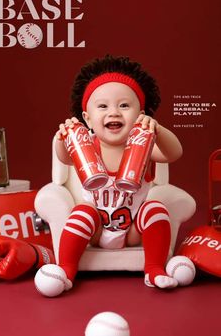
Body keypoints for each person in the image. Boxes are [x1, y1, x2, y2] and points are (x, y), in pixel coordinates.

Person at [55, 55, 183, 290]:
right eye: (102, 106)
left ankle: (154, 269)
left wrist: (157, 129)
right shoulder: (86, 144)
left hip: (133, 229)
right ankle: (65, 269)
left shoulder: (143, 146)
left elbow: (174, 153)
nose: (114, 112)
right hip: (96, 228)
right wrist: (62, 137)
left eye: (124, 105)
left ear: (140, 114)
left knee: (155, 209)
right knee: (82, 211)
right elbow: (64, 157)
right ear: (87, 118)